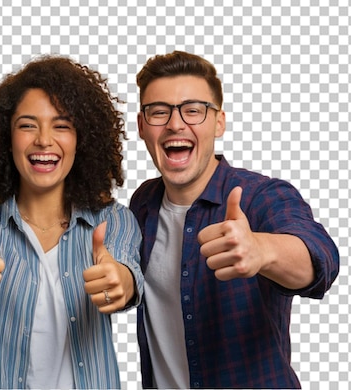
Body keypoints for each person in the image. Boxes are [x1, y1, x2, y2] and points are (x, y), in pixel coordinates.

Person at [130, 50, 340, 388]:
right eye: (159, 112)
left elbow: (320, 258)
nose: (175, 123)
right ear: (142, 126)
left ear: (219, 122)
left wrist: (261, 249)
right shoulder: (143, 203)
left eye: (193, 110)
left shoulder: (259, 196)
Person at [0, 55, 144, 389]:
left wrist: (119, 281)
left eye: (61, 125)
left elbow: (125, 271)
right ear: (6, 139)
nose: (43, 140)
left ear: (82, 139)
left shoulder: (113, 220)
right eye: (27, 125)